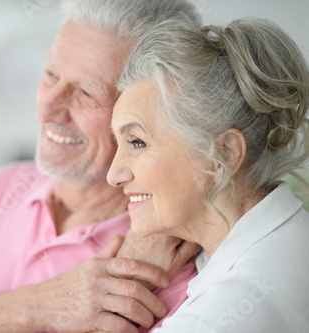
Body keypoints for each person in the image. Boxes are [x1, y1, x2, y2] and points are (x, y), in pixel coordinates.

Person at [0, 1, 202, 333]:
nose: (46, 108)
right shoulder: (0, 189)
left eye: (86, 92)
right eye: (50, 73)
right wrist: (41, 305)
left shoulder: (163, 259)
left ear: (147, 115)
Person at [107, 16, 309, 332]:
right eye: (117, 142)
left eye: (137, 142)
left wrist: (114, 299)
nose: (113, 175)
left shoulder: (220, 315)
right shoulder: (292, 231)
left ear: (223, 156)